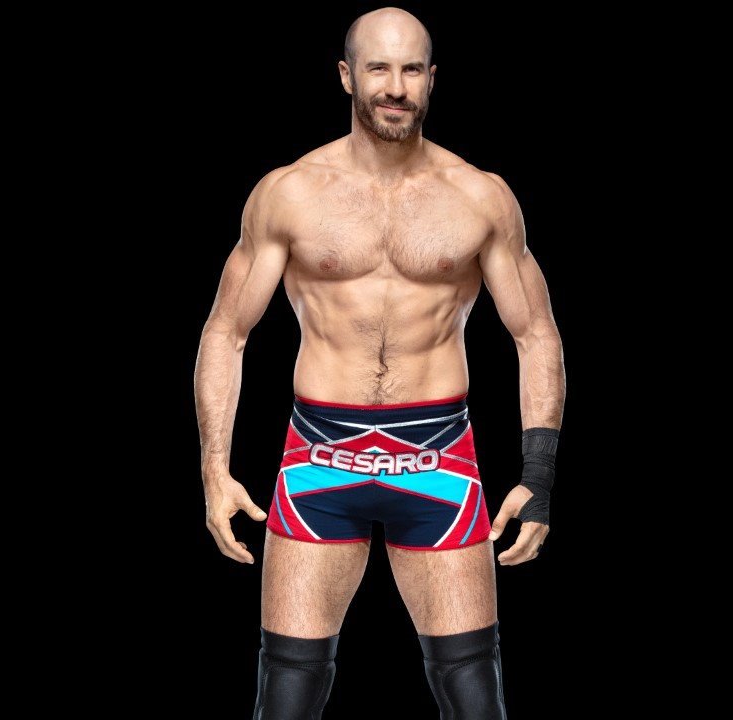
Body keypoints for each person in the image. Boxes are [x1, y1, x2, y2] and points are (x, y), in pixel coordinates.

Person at [194, 7, 565, 718]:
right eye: (378, 68)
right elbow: (226, 332)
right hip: (319, 460)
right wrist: (214, 471)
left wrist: (539, 475)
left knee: (474, 695)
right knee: (287, 694)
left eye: (411, 69)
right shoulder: (289, 192)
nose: (395, 86)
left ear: (431, 79)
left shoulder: (479, 196)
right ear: (346, 76)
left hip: (439, 459)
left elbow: (536, 334)